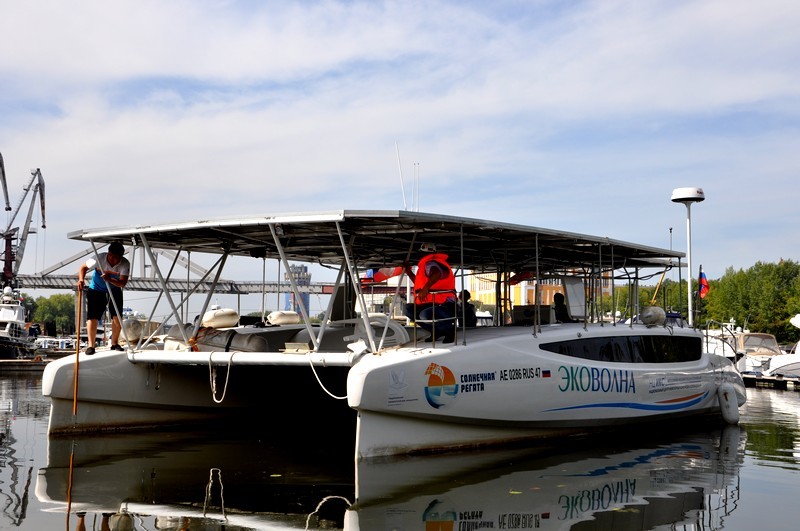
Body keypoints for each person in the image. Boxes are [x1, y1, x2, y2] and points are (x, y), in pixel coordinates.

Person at [77, 241, 130, 354]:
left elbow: (122, 283)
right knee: (92, 317)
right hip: (96, 289)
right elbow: (83, 268)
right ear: (108, 253)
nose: (111, 259)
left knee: (117, 317)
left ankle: (114, 343)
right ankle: (91, 346)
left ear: (120, 257)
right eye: (110, 255)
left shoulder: (125, 264)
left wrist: (110, 279)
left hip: (114, 289)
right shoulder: (98, 258)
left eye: (115, 258)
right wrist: (81, 279)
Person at [403, 243, 457, 342]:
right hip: (430, 303)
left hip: (444, 304)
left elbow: (436, 273)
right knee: (408, 309)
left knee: (424, 315)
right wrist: (408, 272)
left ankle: (449, 331)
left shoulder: (432, 263)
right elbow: (419, 284)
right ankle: (436, 331)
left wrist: (426, 289)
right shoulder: (425, 265)